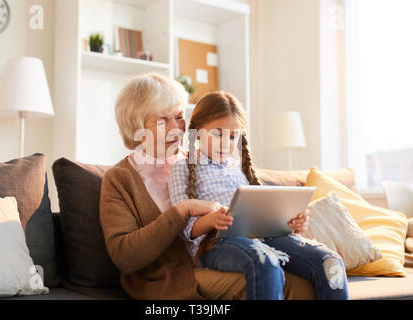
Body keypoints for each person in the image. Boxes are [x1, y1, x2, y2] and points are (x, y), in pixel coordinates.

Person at [99, 73, 315, 300]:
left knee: (309, 273)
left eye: (180, 117)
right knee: (287, 282)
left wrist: (285, 221)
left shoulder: (204, 159)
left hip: (224, 254)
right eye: (163, 121)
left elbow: (244, 210)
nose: (176, 129)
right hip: (176, 276)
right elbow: (124, 255)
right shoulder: (120, 179)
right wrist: (181, 211)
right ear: (136, 127)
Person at [168, 91, 350, 300]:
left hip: (265, 237)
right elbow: (181, 228)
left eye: (232, 136)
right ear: (197, 132)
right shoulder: (182, 166)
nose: (226, 143)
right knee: (265, 261)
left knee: (330, 262)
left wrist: (291, 223)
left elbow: (262, 213)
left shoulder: (239, 168)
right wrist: (213, 220)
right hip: (216, 243)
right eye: (218, 134)